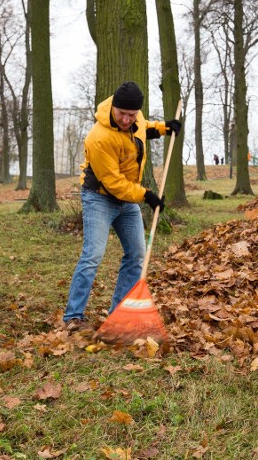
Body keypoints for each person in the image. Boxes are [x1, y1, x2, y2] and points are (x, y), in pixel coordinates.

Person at [63, 81, 181, 332]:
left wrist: (164, 128)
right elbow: (114, 183)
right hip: (99, 198)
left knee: (137, 254)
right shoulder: (99, 137)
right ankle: (73, 317)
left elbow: (143, 129)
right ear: (113, 107)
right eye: (122, 114)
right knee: (93, 255)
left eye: (131, 114)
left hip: (127, 200)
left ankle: (119, 314)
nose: (127, 120)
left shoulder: (135, 119)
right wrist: (146, 195)